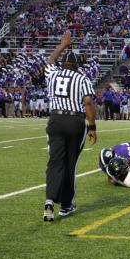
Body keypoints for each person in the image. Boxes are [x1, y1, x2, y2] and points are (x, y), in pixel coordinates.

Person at [43, 30, 97, 222]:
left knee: (55, 162)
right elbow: (88, 103)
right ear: (77, 65)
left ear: (64, 63)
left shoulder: (53, 74)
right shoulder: (81, 78)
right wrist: (92, 127)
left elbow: (50, 61)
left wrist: (62, 45)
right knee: (69, 164)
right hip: (75, 121)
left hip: (55, 120)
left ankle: (49, 202)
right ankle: (66, 205)